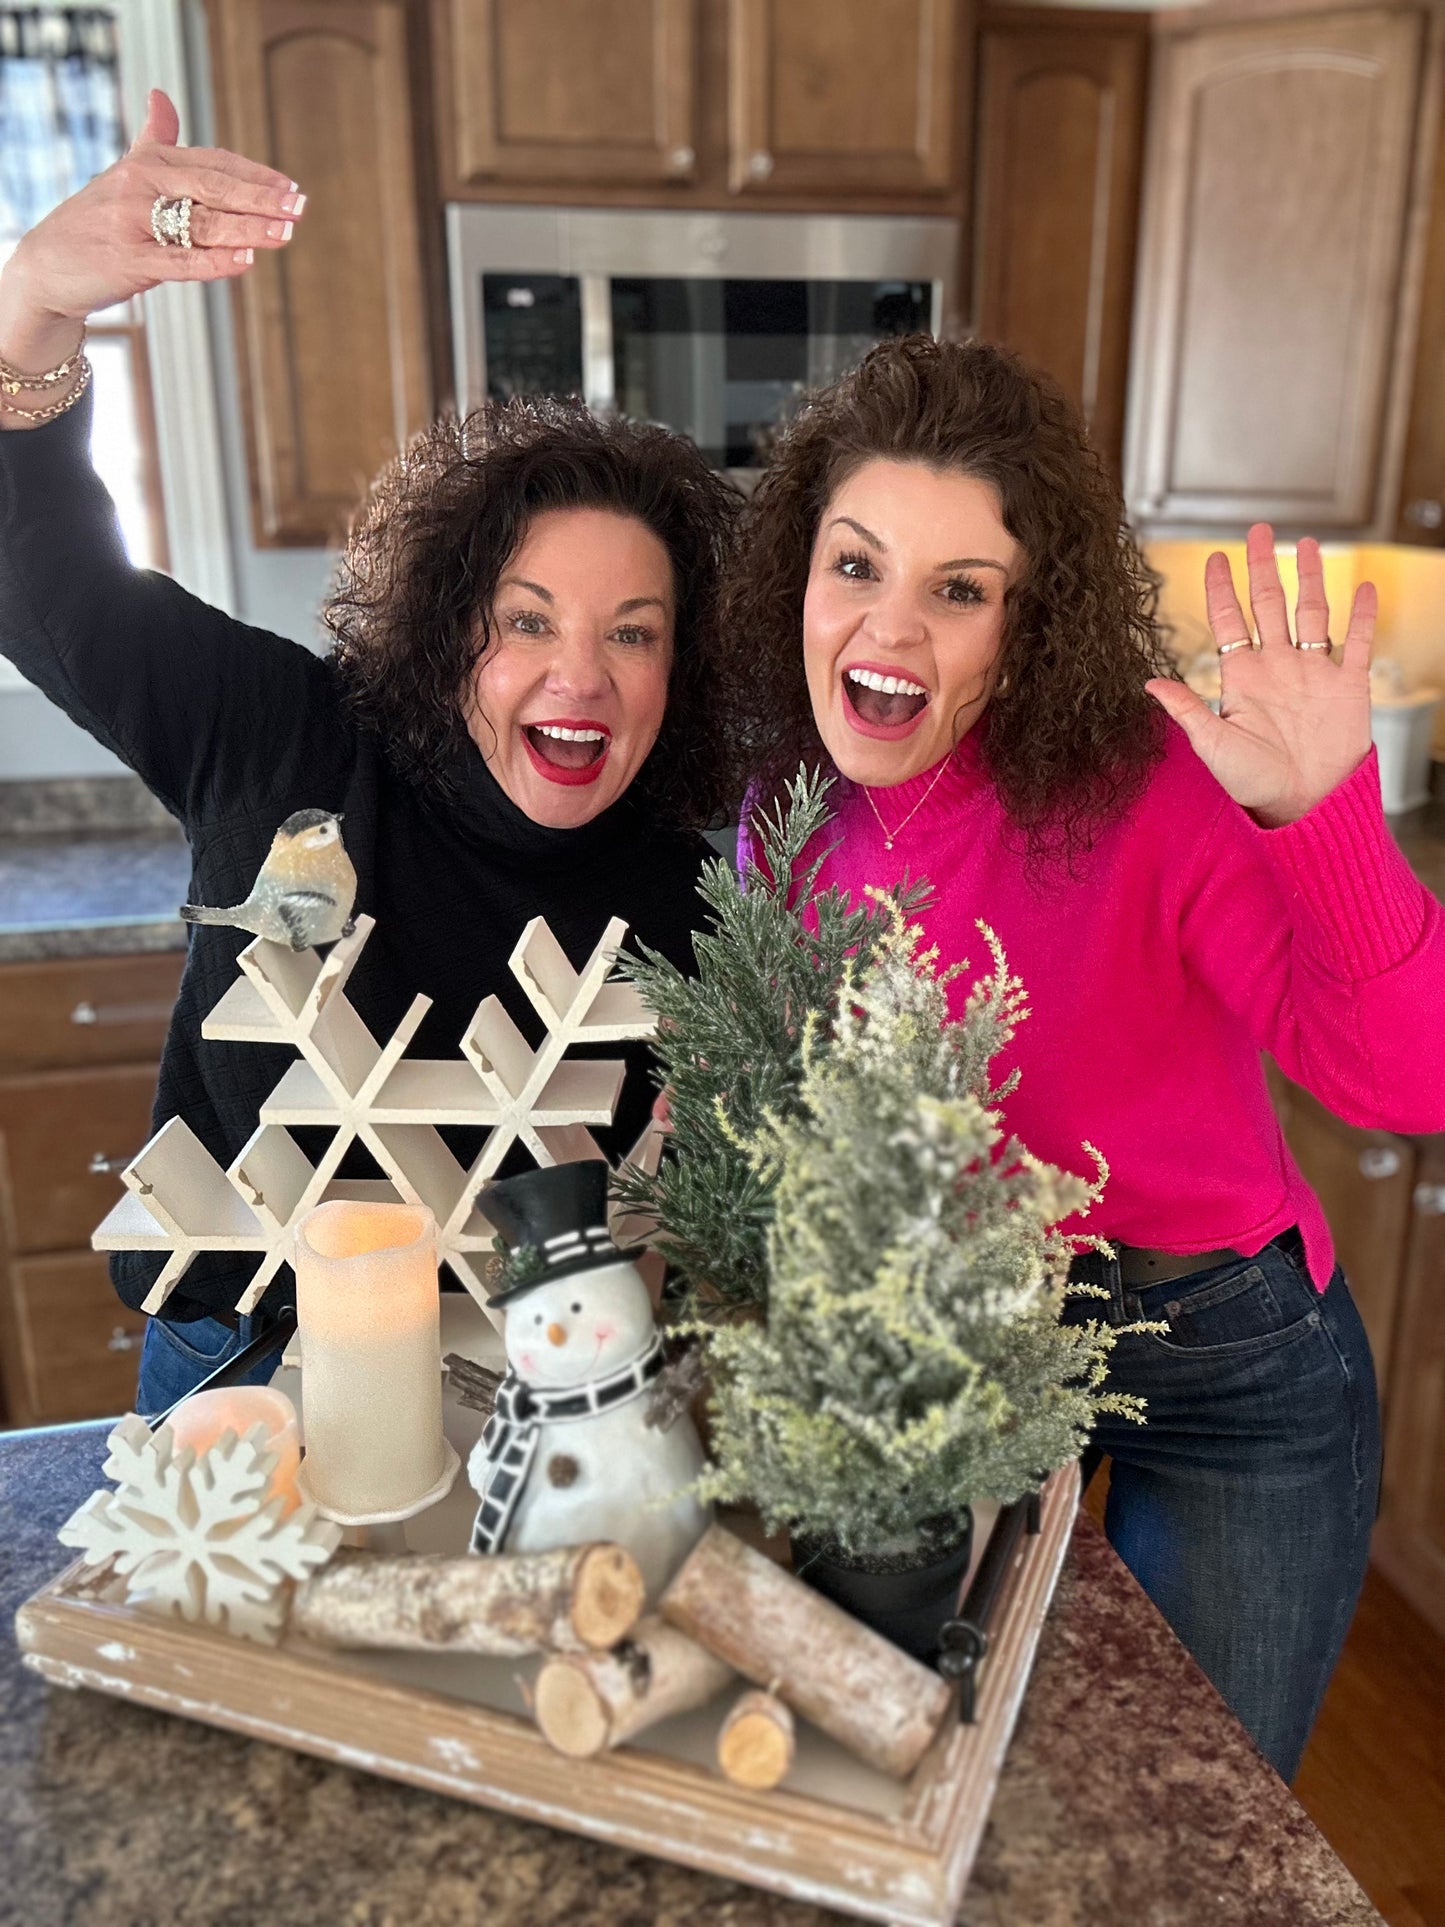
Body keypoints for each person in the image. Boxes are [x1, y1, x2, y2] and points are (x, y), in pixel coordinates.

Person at [725, 332, 1445, 1781]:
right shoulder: (777, 811)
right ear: (796, 577)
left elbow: (1406, 1083)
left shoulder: (1148, 782)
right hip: (950, 1358)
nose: (889, 631)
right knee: (926, 1787)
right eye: (854, 566)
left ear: (1028, 617)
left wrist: (1324, 814)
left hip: (1220, 1364)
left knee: (1184, 1818)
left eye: (960, 591)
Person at [0, 92, 742, 1414]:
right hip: (241, 1371)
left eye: (633, 634)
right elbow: (38, 566)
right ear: (450, 631)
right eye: (527, 622)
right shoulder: (277, 731)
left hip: (525, 1386)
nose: (579, 674)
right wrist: (38, 299)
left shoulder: (686, 890)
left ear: (674, 674)